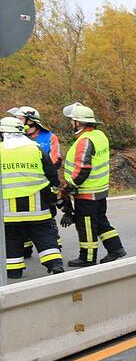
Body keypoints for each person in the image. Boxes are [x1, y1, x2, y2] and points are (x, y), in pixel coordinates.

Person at [62, 102, 126, 267]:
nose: (70, 123)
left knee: (86, 225)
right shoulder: (100, 136)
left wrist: (70, 185)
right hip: (100, 190)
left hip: (87, 192)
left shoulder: (85, 140)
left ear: (79, 122)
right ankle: (116, 249)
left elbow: (83, 168)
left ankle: (87, 258)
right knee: (101, 221)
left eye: (72, 120)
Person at [1, 116, 64, 278]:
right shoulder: (35, 148)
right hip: (37, 205)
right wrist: (55, 195)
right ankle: (55, 264)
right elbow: (52, 175)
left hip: (8, 209)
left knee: (12, 238)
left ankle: (14, 271)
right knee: (43, 233)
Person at [16, 107, 62, 259]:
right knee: (22, 216)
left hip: (44, 184)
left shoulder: (49, 137)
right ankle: (26, 248)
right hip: (22, 185)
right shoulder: (15, 138)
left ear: (30, 121)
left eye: (21, 118)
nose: (18, 121)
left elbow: (55, 160)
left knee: (47, 215)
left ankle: (54, 245)